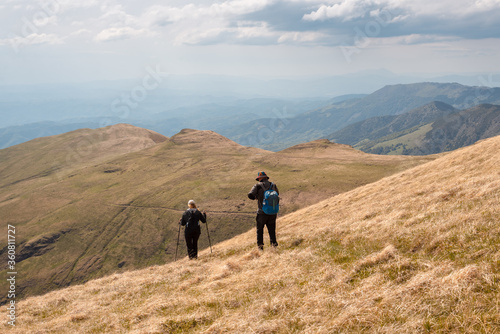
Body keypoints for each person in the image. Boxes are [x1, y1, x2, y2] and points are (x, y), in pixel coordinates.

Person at [248, 171, 279, 250]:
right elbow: (277, 194)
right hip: (272, 212)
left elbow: (250, 195)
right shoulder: (273, 185)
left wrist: (256, 197)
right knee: (272, 230)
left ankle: (260, 247)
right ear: (266, 177)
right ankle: (274, 245)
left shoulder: (258, 186)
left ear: (260, 178)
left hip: (262, 212)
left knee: (260, 230)